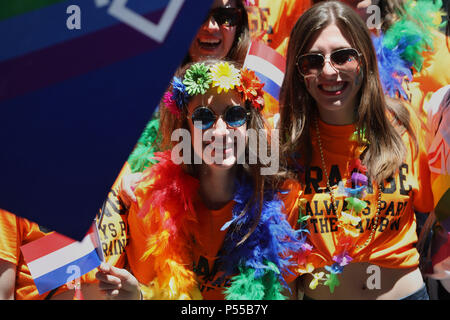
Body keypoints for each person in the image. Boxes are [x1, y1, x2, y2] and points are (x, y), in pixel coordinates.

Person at [96, 59, 302, 300]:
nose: (220, 130)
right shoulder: (149, 201)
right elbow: (150, 292)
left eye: (234, 114)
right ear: (185, 127)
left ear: (249, 123)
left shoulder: (282, 198)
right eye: (204, 117)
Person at [279, 1, 435, 299]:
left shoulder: (404, 124)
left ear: (363, 59)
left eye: (342, 57)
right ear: (299, 72)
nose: (328, 70)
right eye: (312, 61)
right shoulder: (288, 145)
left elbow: (430, 216)